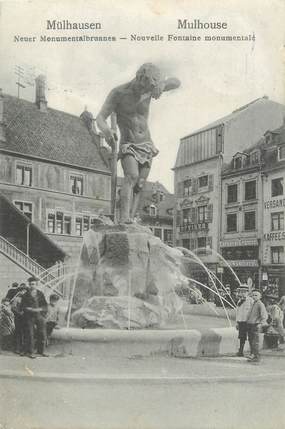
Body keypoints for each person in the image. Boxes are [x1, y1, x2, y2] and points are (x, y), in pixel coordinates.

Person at [96, 63, 181, 223]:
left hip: (147, 144)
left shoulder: (150, 88)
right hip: (129, 143)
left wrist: (162, 85)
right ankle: (124, 218)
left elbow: (177, 82)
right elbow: (100, 117)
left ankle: (131, 220)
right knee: (131, 176)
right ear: (139, 77)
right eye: (143, 87)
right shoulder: (118, 93)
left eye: (148, 88)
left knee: (140, 185)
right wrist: (107, 131)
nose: (144, 91)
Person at [21, 276, 48, 358]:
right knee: (30, 334)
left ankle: (41, 351)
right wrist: (28, 309)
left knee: (42, 333)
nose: (32, 286)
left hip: (39, 316)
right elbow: (23, 306)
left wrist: (40, 309)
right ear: (29, 285)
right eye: (30, 284)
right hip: (29, 316)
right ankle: (31, 352)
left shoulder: (40, 294)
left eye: (33, 284)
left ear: (36, 285)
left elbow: (45, 305)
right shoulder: (25, 295)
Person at [246, 290, 268, 363]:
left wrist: (260, 323)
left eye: (256, 295)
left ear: (260, 296)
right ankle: (252, 354)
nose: (254, 297)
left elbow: (264, 315)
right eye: (253, 295)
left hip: (255, 324)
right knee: (251, 340)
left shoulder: (260, 304)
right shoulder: (253, 303)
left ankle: (257, 356)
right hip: (250, 324)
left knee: (256, 341)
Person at [235, 285, 253, 356]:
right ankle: (241, 351)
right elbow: (238, 312)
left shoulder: (251, 300)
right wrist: (237, 322)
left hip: (248, 321)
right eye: (241, 292)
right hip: (241, 321)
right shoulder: (239, 301)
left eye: (244, 292)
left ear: (247, 292)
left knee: (251, 337)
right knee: (242, 336)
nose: (242, 293)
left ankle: (252, 352)